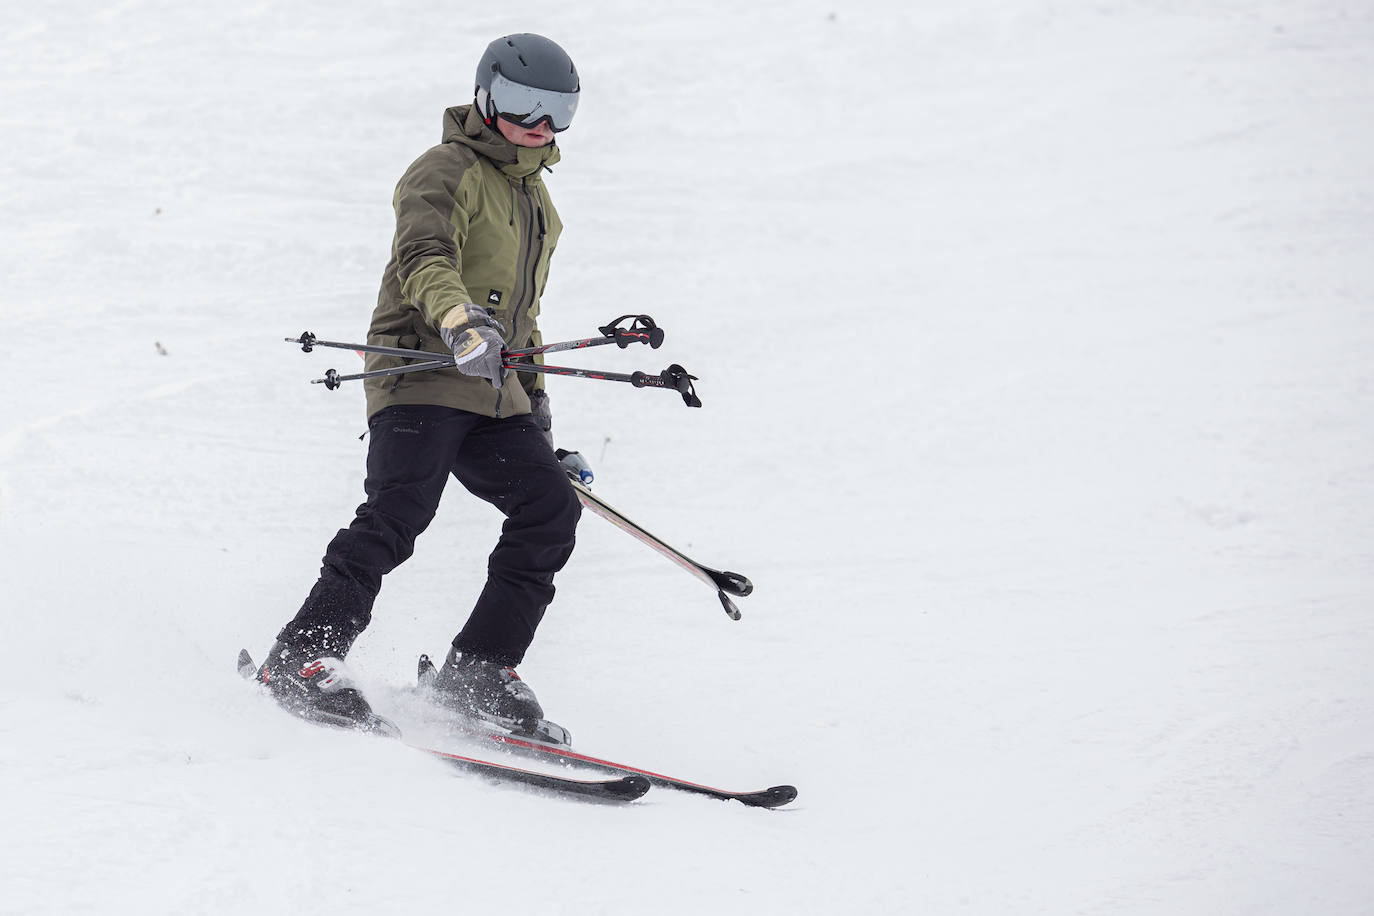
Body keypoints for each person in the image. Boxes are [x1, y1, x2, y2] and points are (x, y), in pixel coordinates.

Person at [256, 33, 583, 735]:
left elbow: (522, 321)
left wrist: (541, 422)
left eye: (559, 110)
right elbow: (424, 257)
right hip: (422, 371)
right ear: (487, 95)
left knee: (551, 508)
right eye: (526, 104)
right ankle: (304, 654)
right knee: (399, 514)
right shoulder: (445, 168)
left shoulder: (539, 204)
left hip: (495, 391)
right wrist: (461, 322)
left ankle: (480, 669)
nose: (540, 124)